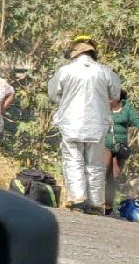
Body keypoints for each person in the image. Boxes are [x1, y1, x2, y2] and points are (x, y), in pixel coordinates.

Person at [48, 38, 121, 213]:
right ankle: (96, 202)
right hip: (97, 124)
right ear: (93, 53)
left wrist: (66, 100)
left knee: (73, 160)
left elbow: (53, 95)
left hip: (71, 123)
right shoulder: (105, 71)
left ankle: (78, 198)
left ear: (75, 53)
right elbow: (116, 94)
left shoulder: (65, 71)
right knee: (95, 163)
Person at [103, 90, 139, 214]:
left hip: (120, 147)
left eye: (110, 97)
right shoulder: (102, 107)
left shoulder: (127, 108)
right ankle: (94, 202)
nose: (108, 99)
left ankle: (108, 206)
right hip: (105, 144)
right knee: (103, 171)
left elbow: (136, 121)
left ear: (118, 98)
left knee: (114, 177)